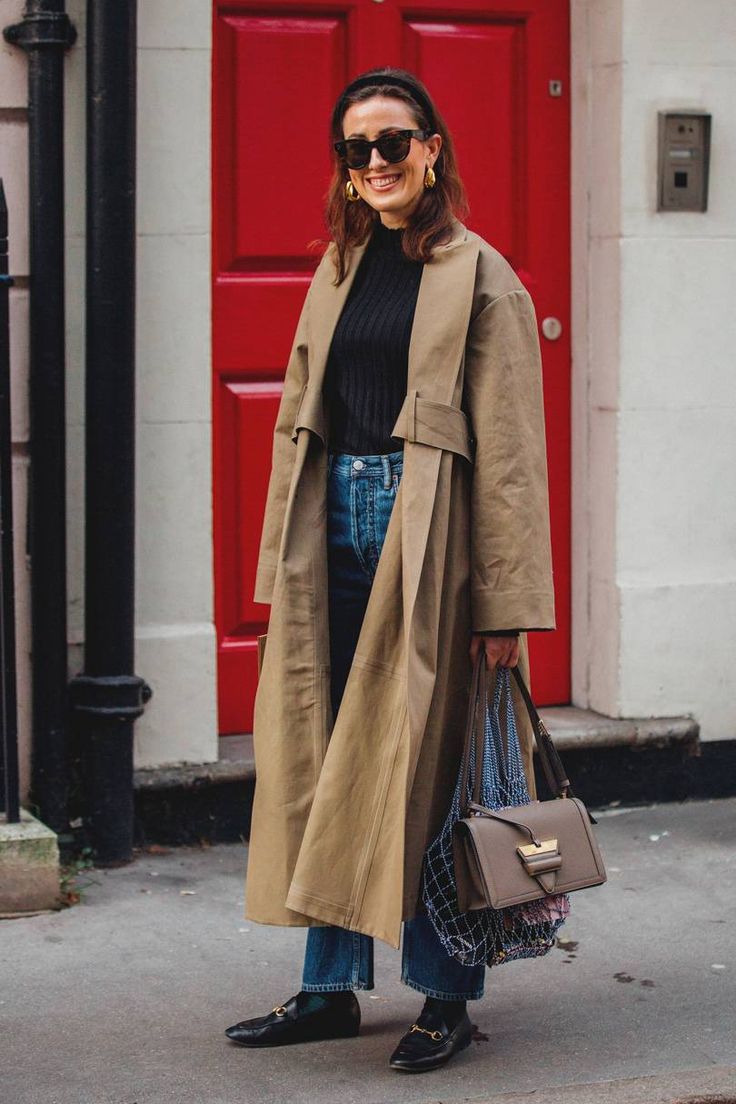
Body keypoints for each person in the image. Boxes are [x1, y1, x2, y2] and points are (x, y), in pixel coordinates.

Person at [225, 67, 555, 1073]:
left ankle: (445, 993)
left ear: (433, 149)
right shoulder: (340, 264)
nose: (375, 162)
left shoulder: (482, 275)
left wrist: (506, 607)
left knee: (425, 766)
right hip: (334, 528)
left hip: (431, 535)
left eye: (393, 142)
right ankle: (329, 988)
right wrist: (279, 551)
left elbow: (506, 458)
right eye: (356, 148)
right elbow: (297, 413)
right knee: (330, 755)